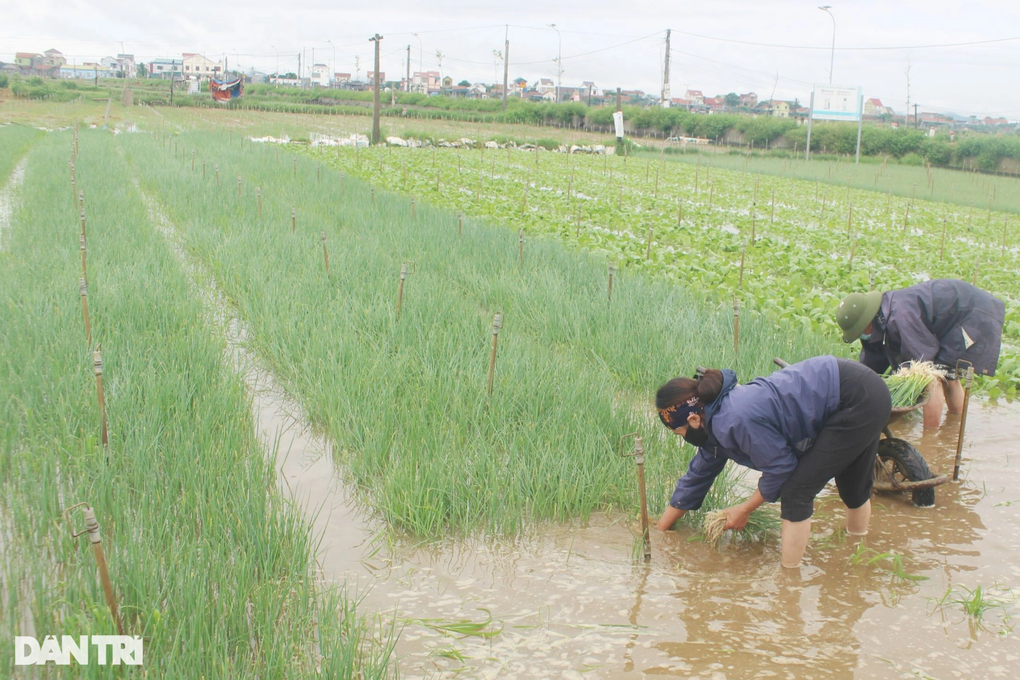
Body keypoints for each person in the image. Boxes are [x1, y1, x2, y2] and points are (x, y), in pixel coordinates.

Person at [654, 356, 890, 569]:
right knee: (852, 483)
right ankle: (858, 551)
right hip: (860, 387)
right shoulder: (714, 421)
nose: (684, 438)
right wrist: (660, 532)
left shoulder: (734, 418)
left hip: (855, 397)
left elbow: (781, 467)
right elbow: (696, 478)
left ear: (694, 419)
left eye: (680, 432)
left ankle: (788, 584)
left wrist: (744, 509)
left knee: (796, 492)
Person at [836, 279, 1005, 429]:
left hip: (972, 314)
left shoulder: (901, 316)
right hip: (956, 313)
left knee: (934, 378)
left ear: (867, 321)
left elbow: (924, 362)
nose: (860, 335)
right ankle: (953, 428)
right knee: (948, 376)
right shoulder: (879, 320)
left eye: (859, 331)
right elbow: (870, 365)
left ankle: (933, 435)